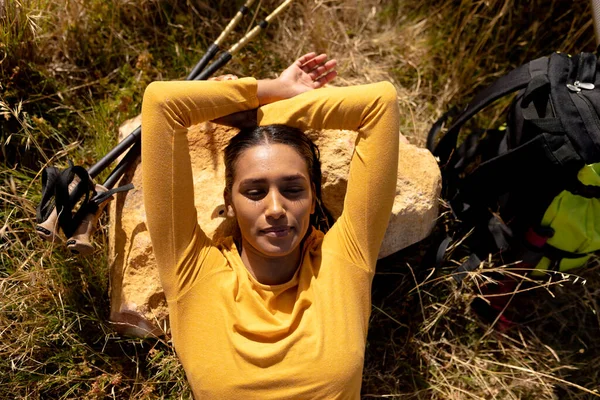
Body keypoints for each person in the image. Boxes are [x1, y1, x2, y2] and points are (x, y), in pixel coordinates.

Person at [141, 52, 400, 399]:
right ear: (229, 203)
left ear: (312, 199)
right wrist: (274, 89)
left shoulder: (343, 262)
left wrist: (258, 118)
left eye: (293, 189)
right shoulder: (192, 272)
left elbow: (380, 104)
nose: (276, 208)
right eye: (255, 191)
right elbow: (162, 104)